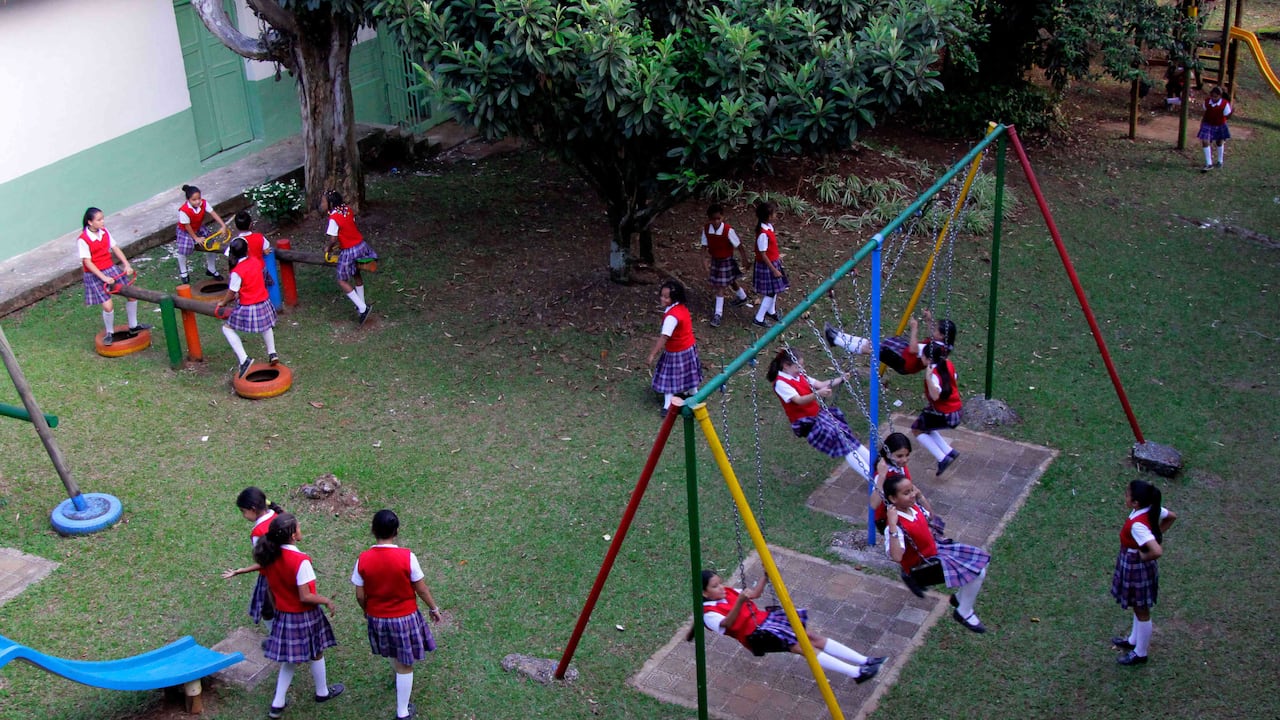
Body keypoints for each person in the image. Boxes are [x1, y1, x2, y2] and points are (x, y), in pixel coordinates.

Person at [699, 571, 884, 682]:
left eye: (720, 582)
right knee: (802, 646)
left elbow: (754, 594)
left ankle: (864, 661)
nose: (722, 587)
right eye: (715, 586)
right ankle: (856, 673)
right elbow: (727, 624)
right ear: (704, 593)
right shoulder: (708, 614)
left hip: (767, 620)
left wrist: (765, 577)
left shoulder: (729, 592)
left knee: (811, 636)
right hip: (756, 635)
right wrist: (740, 602)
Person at [352, 510, 443, 720]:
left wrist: (366, 610)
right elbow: (421, 589)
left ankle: (398, 675)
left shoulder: (363, 559)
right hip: (404, 618)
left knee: (394, 654)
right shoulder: (407, 557)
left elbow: (359, 593)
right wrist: (433, 608)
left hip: (377, 617)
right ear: (396, 531)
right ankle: (402, 712)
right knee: (405, 664)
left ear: (373, 530)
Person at [254, 513, 344, 718]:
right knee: (317, 652)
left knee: (289, 659)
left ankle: (278, 702)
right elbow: (305, 596)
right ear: (293, 535)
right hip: (304, 616)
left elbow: (270, 588)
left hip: (284, 616)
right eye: (299, 527)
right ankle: (322, 692)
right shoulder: (300, 561)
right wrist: (326, 600)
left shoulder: (269, 556)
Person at [883, 473, 990, 633]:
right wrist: (891, 525)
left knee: (981, 561)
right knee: (978, 573)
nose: (912, 495)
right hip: (923, 567)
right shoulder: (895, 525)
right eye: (906, 493)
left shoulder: (913, 507)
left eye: (911, 490)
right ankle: (963, 612)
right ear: (893, 499)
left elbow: (930, 517)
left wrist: (921, 497)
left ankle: (959, 599)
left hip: (937, 550)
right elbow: (897, 556)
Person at [766, 349, 872, 480]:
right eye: (797, 366)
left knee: (847, 437)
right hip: (806, 423)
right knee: (844, 445)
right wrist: (818, 394)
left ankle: (875, 465)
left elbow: (820, 384)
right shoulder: (781, 383)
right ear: (786, 366)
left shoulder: (799, 376)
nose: (801, 369)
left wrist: (841, 378)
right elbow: (798, 400)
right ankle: (871, 477)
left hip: (818, 415)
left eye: (802, 365)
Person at [1110, 480, 1176, 666]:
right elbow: (1171, 516)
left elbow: (1156, 551)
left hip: (1135, 566)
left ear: (1135, 502)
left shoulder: (1138, 526)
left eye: (1127, 494)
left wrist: (1142, 554)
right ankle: (1133, 640)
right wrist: (1156, 534)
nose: (1125, 497)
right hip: (1133, 564)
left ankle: (1140, 653)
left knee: (1141, 609)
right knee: (1137, 605)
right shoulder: (1150, 510)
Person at [77, 207, 151, 346]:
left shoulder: (104, 232)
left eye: (102, 218)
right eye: (99, 220)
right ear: (90, 222)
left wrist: (126, 265)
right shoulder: (83, 239)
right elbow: (87, 262)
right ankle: (110, 332)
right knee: (108, 306)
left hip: (110, 268)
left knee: (131, 294)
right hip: (95, 274)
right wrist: (103, 278)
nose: (102, 221)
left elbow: (115, 248)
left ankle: (133, 325)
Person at [214, 235, 279, 378]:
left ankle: (244, 359)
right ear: (247, 250)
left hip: (249, 305)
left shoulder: (237, 271)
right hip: (264, 302)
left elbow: (232, 292)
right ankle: (272, 352)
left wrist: (223, 302)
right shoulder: (256, 261)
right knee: (266, 326)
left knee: (227, 328)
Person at [221, 487, 284, 630]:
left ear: (253, 509)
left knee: (267, 610)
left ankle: (277, 639)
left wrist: (240, 571)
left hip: (272, 577)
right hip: (288, 571)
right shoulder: (278, 515)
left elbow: (264, 563)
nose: (244, 515)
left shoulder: (259, 532)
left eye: (243, 511)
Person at [824, 308, 956, 375]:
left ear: (942, 336)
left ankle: (835, 339)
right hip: (905, 356)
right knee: (871, 344)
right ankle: (837, 335)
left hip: (904, 363)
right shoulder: (945, 344)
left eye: (936, 330)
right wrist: (928, 320)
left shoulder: (935, 349)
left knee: (871, 348)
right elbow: (933, 333)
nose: (933, 330)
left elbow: (913, 349)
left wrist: (914, 328)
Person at [870, 433, 943, 537]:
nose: (904, 460)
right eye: (899, 456)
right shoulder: (884, 474)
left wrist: (931, 514)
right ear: (888, 454)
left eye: (907, 455)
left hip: (905, 508)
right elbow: (873, 504)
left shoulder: (900, 466)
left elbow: (916, 493)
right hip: (887, 517)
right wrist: (881, 477)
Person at [647, 279, 702, 417]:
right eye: (662, 295)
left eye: (666, 297)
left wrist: (652, 354)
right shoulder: (681, 308)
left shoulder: (671, 317)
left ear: (674, 298)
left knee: (669, 379)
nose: (663, 299)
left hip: (676, 351)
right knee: (689, 372)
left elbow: (664, 337)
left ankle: (668, 406)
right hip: (688, 347)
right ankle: (693, 394)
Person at [322, 190, 377, 324]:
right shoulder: (347, 210)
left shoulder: (334, 218)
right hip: (361, 246)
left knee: (342, 280)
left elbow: (333, 238)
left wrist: (328, 248)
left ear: (330, 203)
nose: (321, 204)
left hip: (350, 251)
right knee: (356, 273)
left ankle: (363, 308)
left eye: (323, 201)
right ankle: (361, 303)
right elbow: (348, 228)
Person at [700, 203, 753, 327]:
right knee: (730, 281)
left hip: (726, 260)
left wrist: (745, 260)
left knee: (720, 286)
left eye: (719, 218)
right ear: (709, 219)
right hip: (715, 260)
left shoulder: (728, 230)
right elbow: (703, 247)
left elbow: (739, 246)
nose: (716, 221)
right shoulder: (707, 229)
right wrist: (704, 262)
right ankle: (742, 297)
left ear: (722, 217)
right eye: (713, 219)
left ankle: (718, 314)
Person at [912, 342, 962, 475]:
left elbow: (935, 396)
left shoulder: (933, 374)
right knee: (925, 424)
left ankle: (942, 458)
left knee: (917, 429)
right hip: (957, 411)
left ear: (928, 360)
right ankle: (949, 451)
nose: (920, 358)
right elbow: (954, 378)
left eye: (922, 356)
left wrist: (928, 378)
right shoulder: (947, 364)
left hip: (946, 415)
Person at [176, 184, 228, 284]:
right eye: (194, 200)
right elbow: (187, 226)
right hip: (186, 230)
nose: (197, 201)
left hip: (198, 227)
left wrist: (223, 225)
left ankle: (211, 268)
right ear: (188, 200)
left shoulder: (204, 203)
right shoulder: (183, 211)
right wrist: (196, 238)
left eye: (199, 198)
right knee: (184, 248)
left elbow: (213, 213)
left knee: (211, 244)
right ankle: (183, 271)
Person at [751, 202, 788, 327]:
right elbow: (763, 254)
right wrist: (774, 270)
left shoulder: (769, 228)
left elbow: (771, 249)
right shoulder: (763, 233)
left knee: (775, 289)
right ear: (768, 217)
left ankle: (771, 311)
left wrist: (777, 257)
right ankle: (759, 318)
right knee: (771, 292)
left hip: (772, 262)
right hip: (767, 266)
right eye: (774, 214)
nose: (776, 216)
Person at [1197, 86, 1232, 172]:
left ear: (1220, 96)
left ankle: (1220, 161)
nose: (1213, 98)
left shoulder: (1225, 104)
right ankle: (1209, 163)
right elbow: (1205, 112)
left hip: (1220, 124)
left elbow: (1227, 116)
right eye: (1212, 96)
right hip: (1208, 123)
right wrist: (1202, 123)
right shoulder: (1207, 102)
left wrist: (1231, 113)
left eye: (1215, 96)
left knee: (1219, 142)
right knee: (1205, 141)